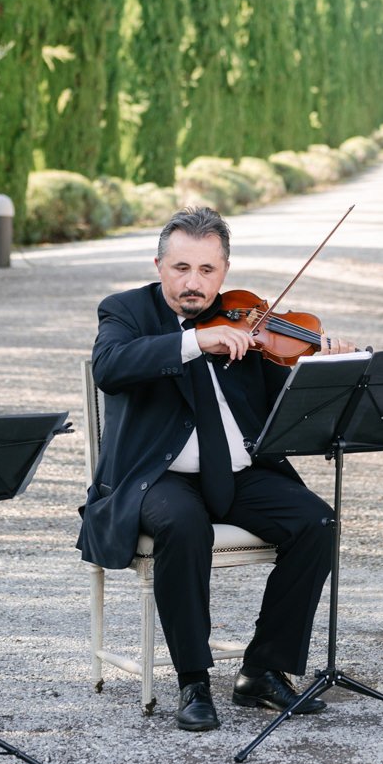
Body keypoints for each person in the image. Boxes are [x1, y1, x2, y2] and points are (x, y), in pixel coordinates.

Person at [78, 206, 357, 731]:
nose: (193, 283)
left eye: (207, 271)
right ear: (159, 264)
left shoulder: (246, 318)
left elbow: (285, 409)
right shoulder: (125, 311)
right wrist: (193, 341)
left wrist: (323, 363)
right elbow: (112, 368)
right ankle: (193, 680)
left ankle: (263, 669)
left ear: (224, 271)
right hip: (156, 478)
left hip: (237, 473)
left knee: (317, 523)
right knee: (184, 527)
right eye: (181, 268)